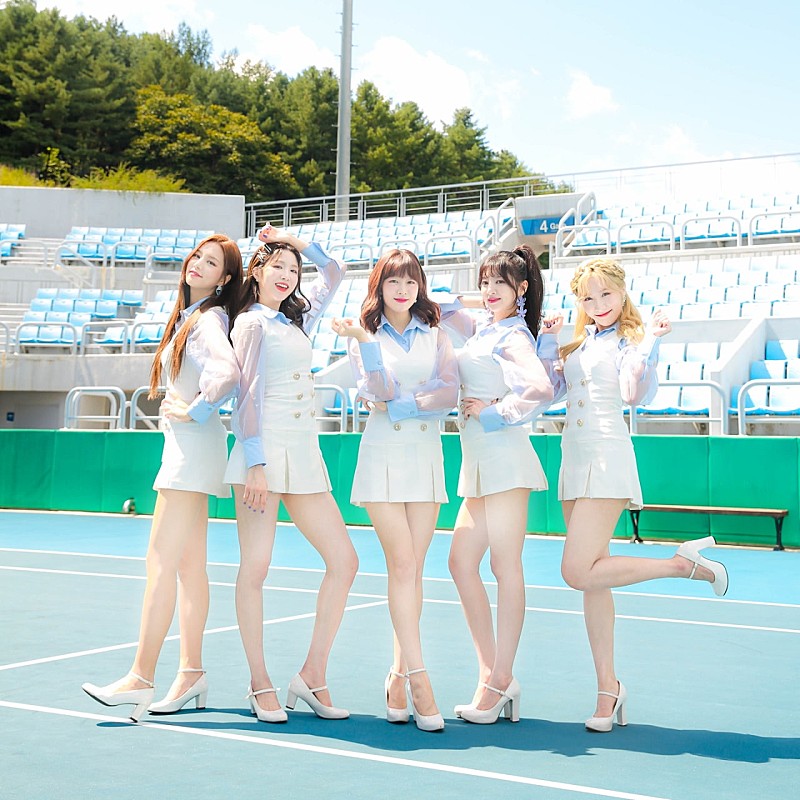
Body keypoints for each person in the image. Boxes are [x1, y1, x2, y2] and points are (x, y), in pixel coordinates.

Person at [557, 257, 729, 733]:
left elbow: (634, 393)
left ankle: (680, 565)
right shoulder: (579, 341)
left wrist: (651, 339)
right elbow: (551, 391)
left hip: (606, 457)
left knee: (575, 571)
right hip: (573, 458)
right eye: (588, 298)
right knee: (593, 578)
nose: (597, 304)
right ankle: (608, 690)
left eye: (605, 294)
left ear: (622, 293)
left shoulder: (632, 340)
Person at [82, 234, 244, 721]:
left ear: (225, 279)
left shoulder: (208, 320)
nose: (198, 264)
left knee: (160, 562)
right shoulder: (192, 317)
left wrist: (196, 410)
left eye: (211, 262)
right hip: (194, 449)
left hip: (191, 451)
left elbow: (228, 373)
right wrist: (197, 413)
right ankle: (191, 673)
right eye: (197, 256)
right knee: (189, 568)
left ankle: (140, 677)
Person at [224, 225, 358, 724]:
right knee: (255, 569)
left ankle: (312, 675)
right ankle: (259, 682)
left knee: (344, 561)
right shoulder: (250, 324)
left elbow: (335, 271)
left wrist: (291, 240)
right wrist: (255, 463)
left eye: (293, 270)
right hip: (263, 455)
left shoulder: (296, 319)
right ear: (256, 272)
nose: (286, 275)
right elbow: (246, 397)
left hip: (303, 453)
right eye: (277, 266)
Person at [332, 249, 459, 732]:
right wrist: (369, 347)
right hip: (382, 456)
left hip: (426, 455)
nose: (402, 290)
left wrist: (405, 405)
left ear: (420, 285)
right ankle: (420, 680)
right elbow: (378, 389)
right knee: (403, 565)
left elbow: (448, 393)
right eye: (393, 282)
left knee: (414, 571)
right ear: (379, 287)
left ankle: (397, 676)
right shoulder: (362, 335)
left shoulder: (436, 333)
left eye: (410, 281)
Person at [442, 246, 562, 725]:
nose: (490, 291)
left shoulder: (512, 335)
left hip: (505, 458)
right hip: (479, 461)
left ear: (522, 289)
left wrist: (493, 413)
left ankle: (499, 678)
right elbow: (443, 305)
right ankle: (492, 673)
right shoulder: (486, 328)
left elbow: (541, 389)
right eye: (485, 282)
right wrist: (482, 299)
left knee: (504, 565)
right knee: (460, 562)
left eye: (500, 283)